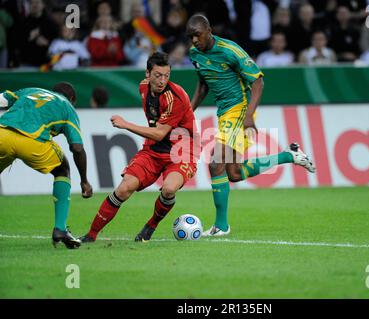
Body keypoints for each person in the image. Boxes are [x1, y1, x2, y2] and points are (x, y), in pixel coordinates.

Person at [186, 14, 315, 237]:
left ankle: (221, 226)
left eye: (197, 35)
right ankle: (289, 155)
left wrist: (250, 115)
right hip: (224, 112)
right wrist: (188, 112)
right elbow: (203, 84)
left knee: (216, 164)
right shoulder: (194, 53)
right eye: (190, 37)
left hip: (239, 108)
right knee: (233, 173)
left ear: (208, 30)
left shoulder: (230, 50)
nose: (194, 40)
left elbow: (257, 80)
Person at [79, 52, 199, 243]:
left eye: (166, 75)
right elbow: (156, 132)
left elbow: (160, 132)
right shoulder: (143, 87)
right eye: (158, 75)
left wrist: (126, 124)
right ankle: (90, 235)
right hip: (153, 149)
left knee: (168, 189)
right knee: (124, 188)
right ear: (147, 74)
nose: (162, 80)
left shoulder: (174, 97)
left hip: (182, 151)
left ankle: (151, 225)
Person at [0, 82, 93, 249]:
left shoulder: (30, 90)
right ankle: (60, 229)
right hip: (32, 142)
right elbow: (77, 148)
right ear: (72, 99)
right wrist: (84, 180)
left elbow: (2, 100)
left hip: (3, 133)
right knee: (62, 169)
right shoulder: (67, 107)